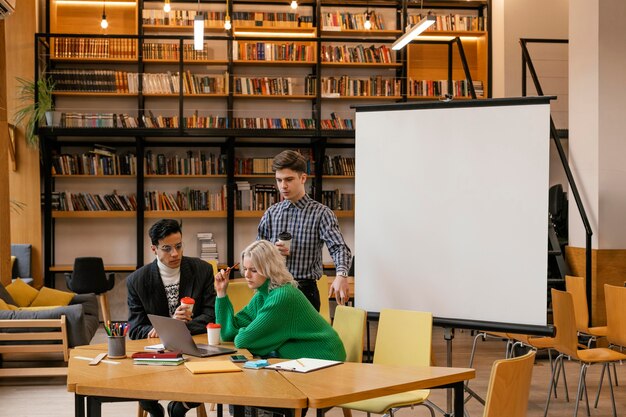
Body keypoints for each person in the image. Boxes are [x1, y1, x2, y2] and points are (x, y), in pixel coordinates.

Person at [127, 219, 216, 417]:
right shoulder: (137, 281)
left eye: (178, 246)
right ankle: (153, 409)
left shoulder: (202, 270)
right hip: (155, 349)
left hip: (193, 346)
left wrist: (184, 325)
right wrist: (162, 329)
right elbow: (134, 329)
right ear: (154, 249)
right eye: (167, 248)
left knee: (209, 374)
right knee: (135, 376)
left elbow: (211, 315)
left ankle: (180, 407)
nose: (175, 254)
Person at [214, 240, 346, 361]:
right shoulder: (262, 294)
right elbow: (227, 333)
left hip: (324, 357)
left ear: (269, 269)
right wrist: (221, 293)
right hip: (300, 360)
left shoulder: (282, 297)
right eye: (245, 269)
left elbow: (242, 340)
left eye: (254, 270)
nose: (247, 275)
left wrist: (250, 332)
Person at [257, 150, 352, 311]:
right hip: (273, 288)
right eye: (279, 180)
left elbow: (339, 248)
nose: (283, 186)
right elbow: (257, 252)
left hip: (305, 291)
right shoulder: (271, 213)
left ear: (303, 178)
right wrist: (271, 251)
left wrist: (341, 275)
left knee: (303, 337)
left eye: (289, 179)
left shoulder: (322, 213)